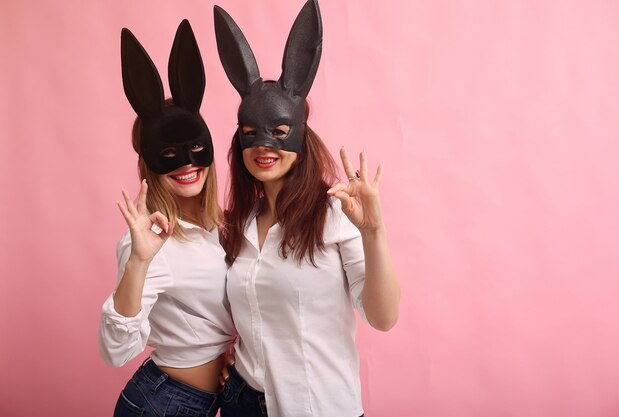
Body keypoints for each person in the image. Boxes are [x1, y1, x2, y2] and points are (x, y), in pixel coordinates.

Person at [213, 1, 401, 416]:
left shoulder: (336, 214)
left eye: (279, 132)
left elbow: (383, 317)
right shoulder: (239, 225)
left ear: (300, 134)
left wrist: (374, 232)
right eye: (251, 134)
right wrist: (229, 357)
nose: (264, 146)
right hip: (242, 401)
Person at [99, 20, 234, 417]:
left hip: (208, 403)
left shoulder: (222, 227)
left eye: (195, 147)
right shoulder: (148, 243)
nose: (187, 164)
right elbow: (116, 351)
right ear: (149, 164)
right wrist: (139, 261)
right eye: (169, 156)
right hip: (162, 405)